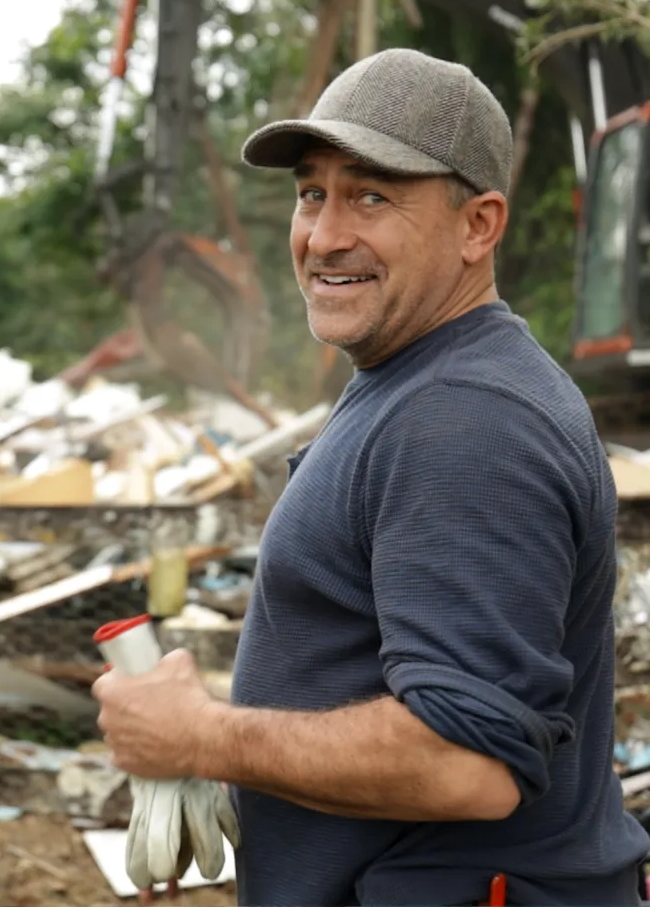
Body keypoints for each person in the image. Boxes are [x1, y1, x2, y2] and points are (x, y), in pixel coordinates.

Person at [91, 47, 650, 906]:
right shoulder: (416, 381)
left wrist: (205, 736)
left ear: (479, 225)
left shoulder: (467, 418)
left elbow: (468, 765)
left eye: (372, 195)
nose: (323, 235)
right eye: (313, 192)